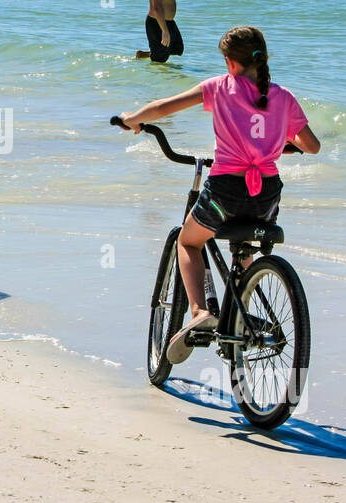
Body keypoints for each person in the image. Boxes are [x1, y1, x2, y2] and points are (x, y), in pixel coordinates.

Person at [118, 26, 320, 360]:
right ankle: (236, 318)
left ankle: (199, 312)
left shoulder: (220, 87)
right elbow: (311, 146)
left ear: (229, 62)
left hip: (225, 189)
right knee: (243, 248)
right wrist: (281, 141)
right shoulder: (283, 96)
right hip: (266, 194)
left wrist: (131, 119)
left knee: (189, 241)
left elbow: (164, 107)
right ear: (262, 58)